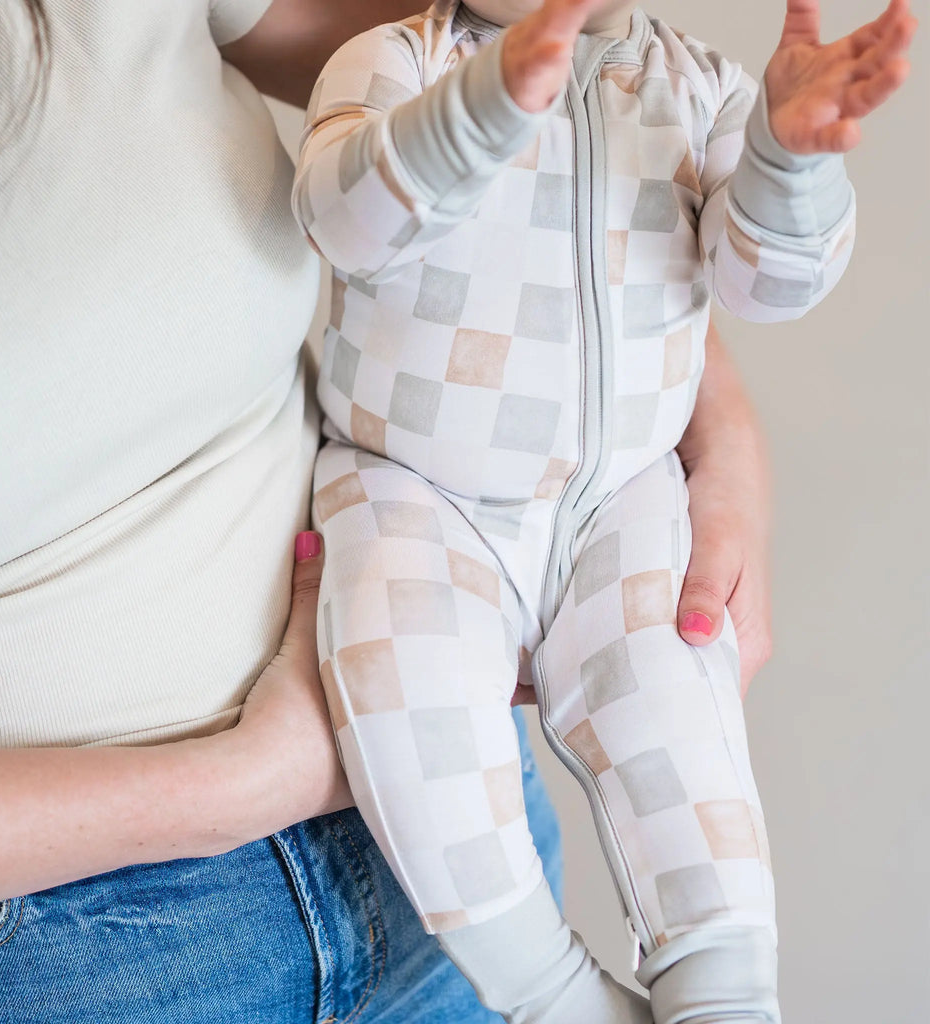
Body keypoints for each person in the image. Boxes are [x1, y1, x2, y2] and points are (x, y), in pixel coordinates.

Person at [0, 1, 787, 1021]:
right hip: (49, 968)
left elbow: (543, 115)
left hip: (432, 839)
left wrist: (695, 419)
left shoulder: (635, 76)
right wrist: (234, 788)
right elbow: (362, 188)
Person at [292, 1, 914, 1022]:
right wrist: (478, 111)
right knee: (410, 710)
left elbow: (760, 289)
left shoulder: (700, 87)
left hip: (620, 496)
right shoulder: (393, 59)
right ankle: (554, 994)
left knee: (672, 707)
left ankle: (725, 996)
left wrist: (785, 160)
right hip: (418, 491)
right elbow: (342, 217)